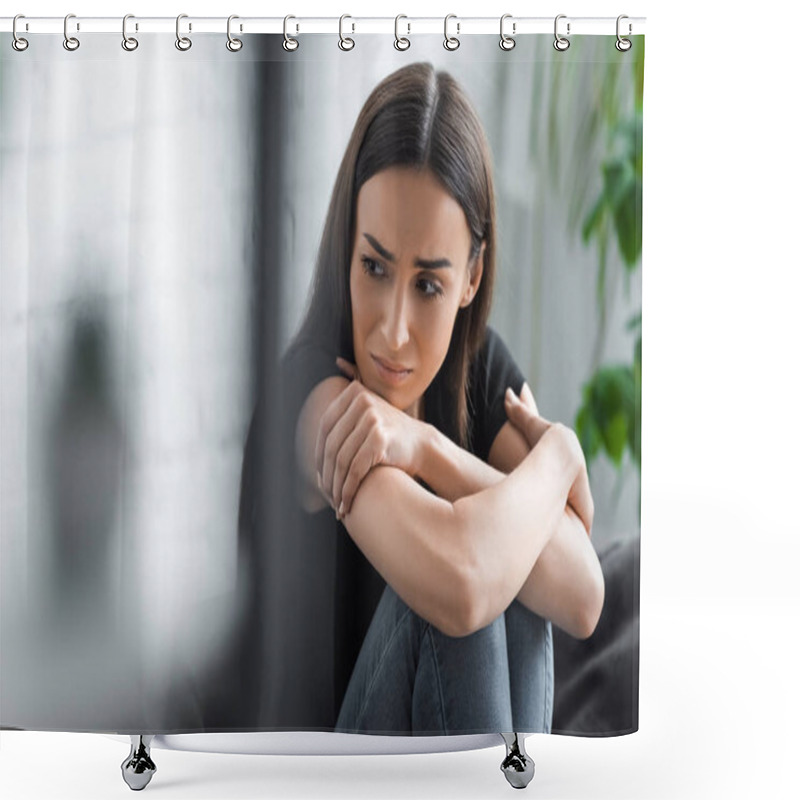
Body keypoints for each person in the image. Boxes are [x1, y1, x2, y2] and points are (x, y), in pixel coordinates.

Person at [239, 61, 604, 736]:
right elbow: (460, 586)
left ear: (471, 277)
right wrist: (557, 459)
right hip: (313, 780)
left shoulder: (479, 368)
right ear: (346, 243)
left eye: (428, 285)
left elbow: (583, 596)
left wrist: (431, 448)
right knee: (463, 569)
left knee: (512, 553)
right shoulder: (315, 398)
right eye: (374, 267)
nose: (393, 330)